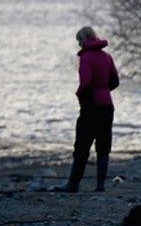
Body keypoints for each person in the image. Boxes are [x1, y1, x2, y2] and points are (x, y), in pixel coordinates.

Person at [50, 26, 120, 192]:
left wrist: (80, 95)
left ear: (84, 39)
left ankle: (73, 184)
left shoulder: (86, 58)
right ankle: (100, 185)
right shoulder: (107, 57)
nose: (79, 45)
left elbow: (86, 83)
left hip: (91, 107)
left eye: (79, 41)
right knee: (104, 146)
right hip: (107, 106)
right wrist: (103, 90)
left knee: (82, 145)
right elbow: (115, 81)